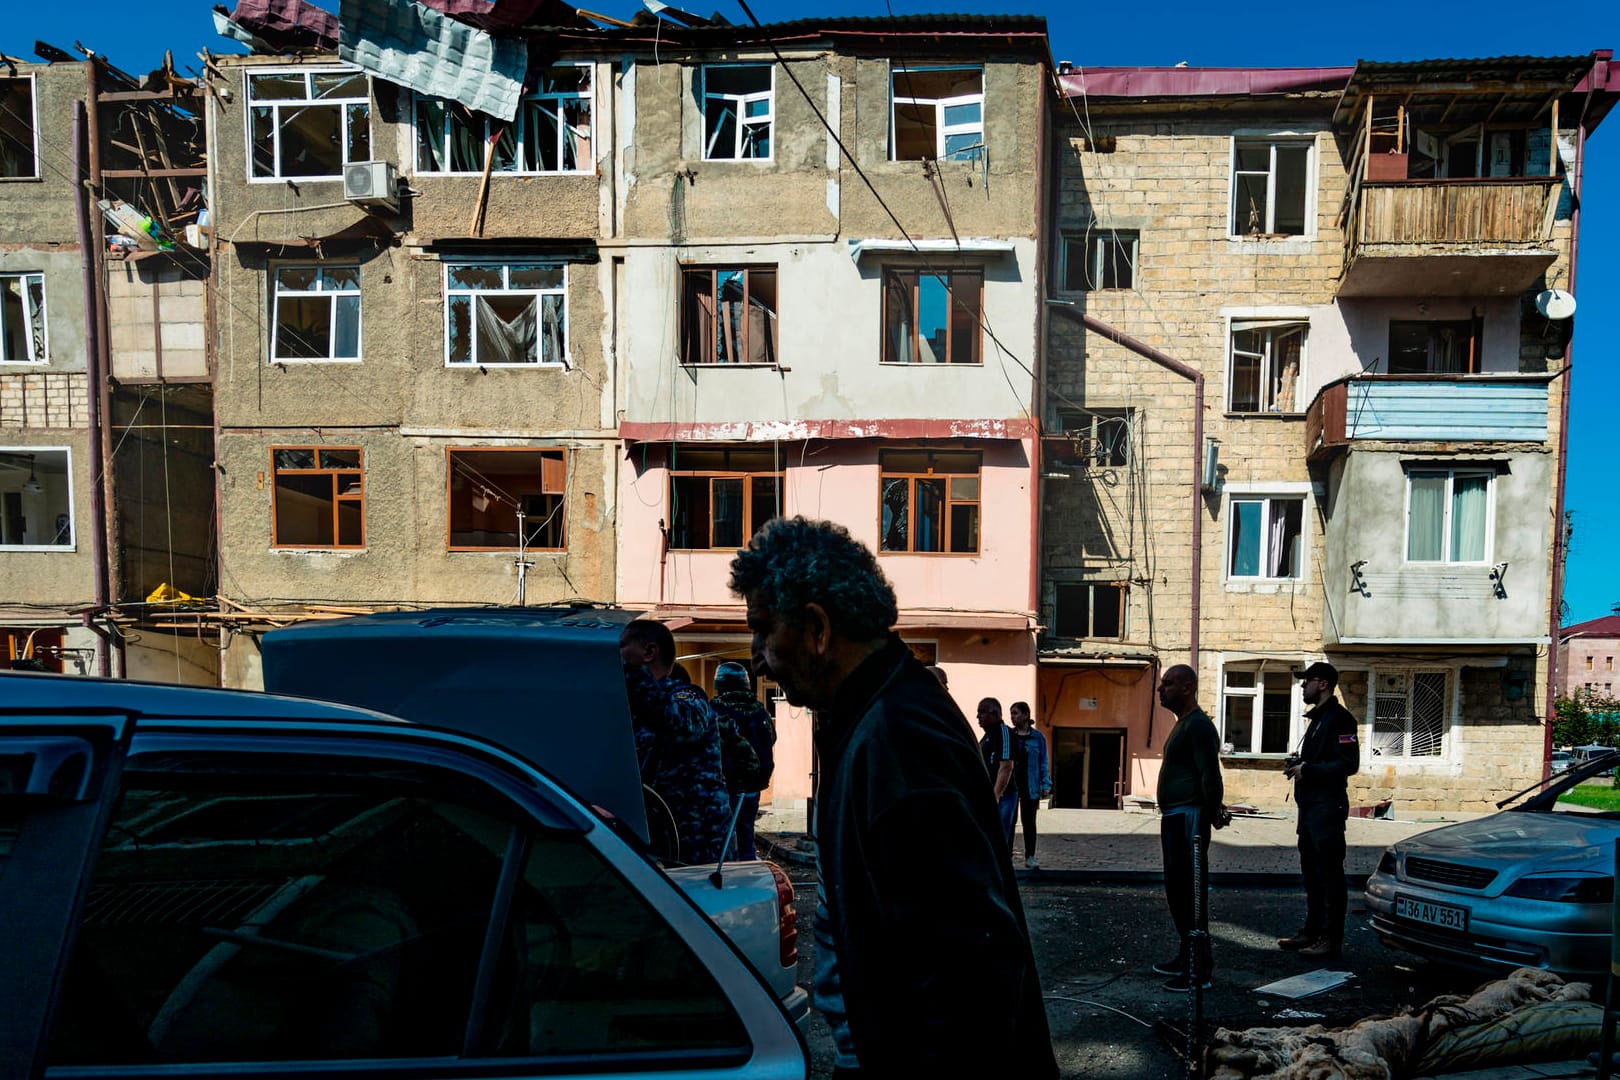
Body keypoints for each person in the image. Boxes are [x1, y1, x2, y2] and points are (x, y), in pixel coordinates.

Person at [730, 517, 1056, 1077]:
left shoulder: (897, 740)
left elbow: (972, 971)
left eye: (763, 631)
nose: (757, 656)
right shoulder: (864, 717)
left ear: (817, 628)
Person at [619, 619, 731, 864]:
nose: (617, 654)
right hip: (656, 836)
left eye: (622, 646)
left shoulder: (688, 696)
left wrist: (629, 672)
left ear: (649, 652)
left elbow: (678, 722)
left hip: (697, 842)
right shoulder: (634, 706)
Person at [1279, 660, 1361, 961]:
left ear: (1323, 684)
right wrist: (1298, 765)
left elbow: (1348, 764)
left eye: (1307, 681)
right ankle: (1311, 931)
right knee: (1311, 873)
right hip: (1311, 808)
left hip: (1327, 807)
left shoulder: (1340, 720)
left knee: (1329, 874)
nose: (1303, 686)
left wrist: (1309, 770)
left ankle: (1330, 938)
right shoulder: (1318, 719)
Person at [1153, 663, 1225, 992]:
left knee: (1190, 892)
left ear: (1187, 688)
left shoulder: (1198, 726)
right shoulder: (1183, 724)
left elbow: (1210, 775)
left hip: (1189, 818)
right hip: (1176, 817)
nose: (1160, 689)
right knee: (1176, 890)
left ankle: (1199, 970)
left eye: (1167, 684)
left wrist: (1211, 812)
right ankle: (1186, 956)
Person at [711, 660, 776, 860]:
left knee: (725, 842)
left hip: (726, 787)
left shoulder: (716, 710)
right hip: (753, 786)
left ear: (719, 684)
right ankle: (748, 873)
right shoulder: (759, 710)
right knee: (746, 836)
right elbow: (772, 738)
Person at [1008, 701, 1051, 869]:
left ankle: (1030, 857)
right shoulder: (1009, 735)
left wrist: (1046, 783)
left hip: (1030, 785)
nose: (1013, 717)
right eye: (1011, 713)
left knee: (1029, 823)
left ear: (1026, 715)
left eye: (1016, 713)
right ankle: (1008, 856)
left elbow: (1043, 762)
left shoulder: (1038, 737)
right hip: (1011, 785)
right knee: (1009, 822)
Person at [976, 697, 1018, 846]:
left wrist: (996, 796)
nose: (978, 717)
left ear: (995, 714)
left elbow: (1006, 766)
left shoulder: (1003, 732)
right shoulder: (987, 737)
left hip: (1003, 796)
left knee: (998, 839)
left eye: (982, 712)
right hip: (988, 795)